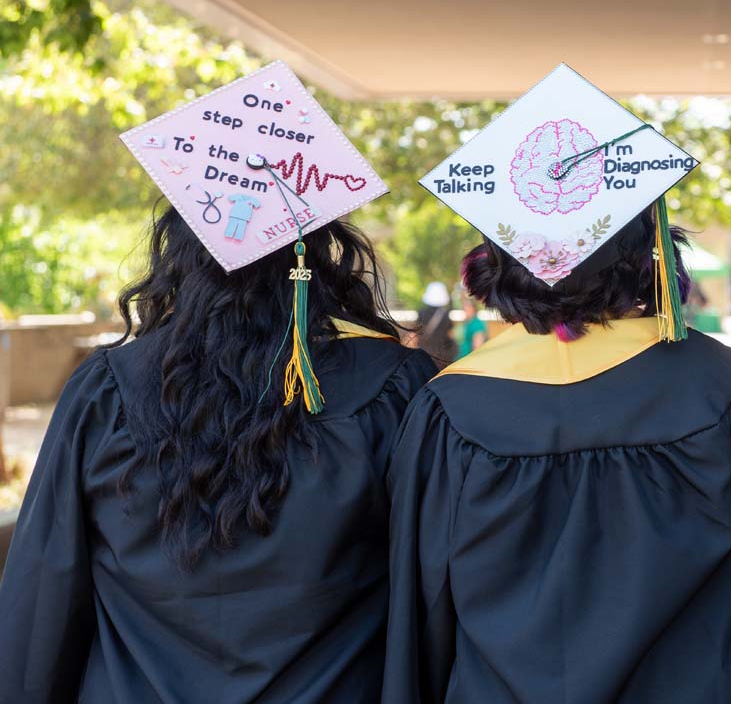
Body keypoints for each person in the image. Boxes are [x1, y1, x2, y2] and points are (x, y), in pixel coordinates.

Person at [386, 64, 731, 703]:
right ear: (644, 251)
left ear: (498, 260)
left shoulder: (454, 407)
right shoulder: (713, 382)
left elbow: (427, 604)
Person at [0, 209, 436, 702]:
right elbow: (428, 593)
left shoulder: (109, 387)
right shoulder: (396, 386)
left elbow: (45, 589)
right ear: (313, 251)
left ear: (182, 250)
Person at [416, 280, 456, 367]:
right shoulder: (445, 315)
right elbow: (450, 335)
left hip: (423, 354)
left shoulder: (421, 312)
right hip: (441, 356)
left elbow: (417, 332)